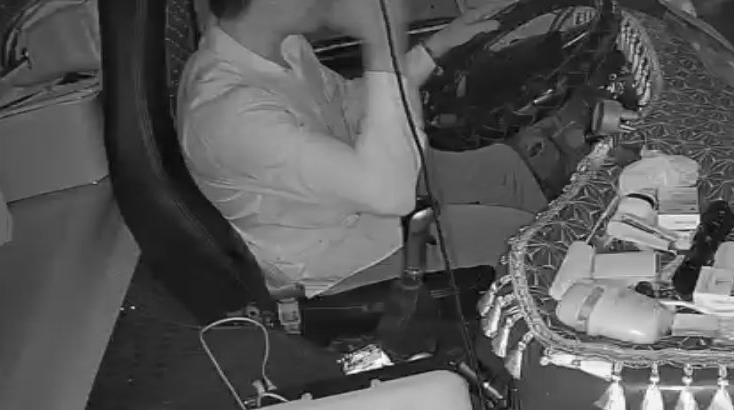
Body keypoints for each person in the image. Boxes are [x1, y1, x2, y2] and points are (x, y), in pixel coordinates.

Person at [179, 0, 548, 297]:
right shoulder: (232, 115)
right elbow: (389, 194)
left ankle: (554, 274)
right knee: (522, 243)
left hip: (354, 188)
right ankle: (548, 321)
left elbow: (349, 107)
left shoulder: (283, 47)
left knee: (501, 168)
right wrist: (380, 41)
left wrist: (435, 48)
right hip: (334, 252)